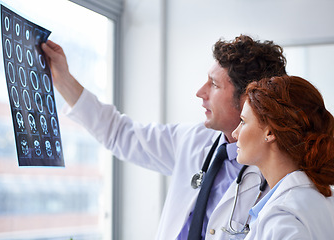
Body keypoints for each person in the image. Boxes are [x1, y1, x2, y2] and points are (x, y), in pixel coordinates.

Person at [41, 35, 287, 240]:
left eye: (213, 85)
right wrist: (62, 79)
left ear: (248, 98)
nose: (200, 92)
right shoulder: (195, 140)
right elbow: (120, 133)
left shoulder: (281, 175)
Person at [232, 75, 334, 239]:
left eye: (243, 122)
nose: (234, 134)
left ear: (270, 132)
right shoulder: (322, 197)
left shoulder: (282, 218)